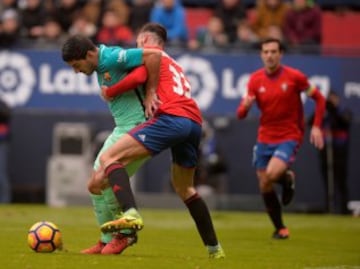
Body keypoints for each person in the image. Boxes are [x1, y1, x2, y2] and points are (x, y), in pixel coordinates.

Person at [94, 23, 225, 259]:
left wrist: (110, 91)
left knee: (108, 157)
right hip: (194, 123)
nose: (137, 47)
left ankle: (131, 214)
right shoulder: (174, 64)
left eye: (137, 43)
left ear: (144, 41)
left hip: (171, 119)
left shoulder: (151, 56)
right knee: (186, 188)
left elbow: (141, 74)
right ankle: (215, 250)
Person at [61, 34, 161, 255]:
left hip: (138, 128)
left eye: (77, 65)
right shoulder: (102, 63)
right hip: (123, 128)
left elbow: (154, 56)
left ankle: (126, 234)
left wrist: (151, 92)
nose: (76, 72)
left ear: (89, 54)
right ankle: (106, 240)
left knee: (102, 180)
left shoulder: (113, 57)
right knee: (94, 185)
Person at [236, 38, 325, 239]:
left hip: (289, 135)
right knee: (264, 184)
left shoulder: (295, 77)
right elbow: (240, 114)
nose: (269, 55)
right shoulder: (255, 80)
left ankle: (286, 178)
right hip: (265, 136)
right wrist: (245, 107)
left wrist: (317, 126)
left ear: (280, 54)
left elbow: (319, 98)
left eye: (273, 51)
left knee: (272, 173)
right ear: (261, 54)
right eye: (266, 51)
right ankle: (280, 228)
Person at [317, 91, 352, 214]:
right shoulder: (324, 112)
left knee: (341, 179)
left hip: (340, 150)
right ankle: (329, 206)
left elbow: (345, 122)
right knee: (327, 179)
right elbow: (312, 121)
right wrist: (323, 108)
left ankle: (344, 207)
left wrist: (334, 110)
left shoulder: (343, 111)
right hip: (326, 149)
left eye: (333, 99)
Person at [0, 98, 11, 203]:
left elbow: (6, 114)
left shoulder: (2, 104)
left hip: (1, 143)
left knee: (1, 174)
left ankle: (4, 202)